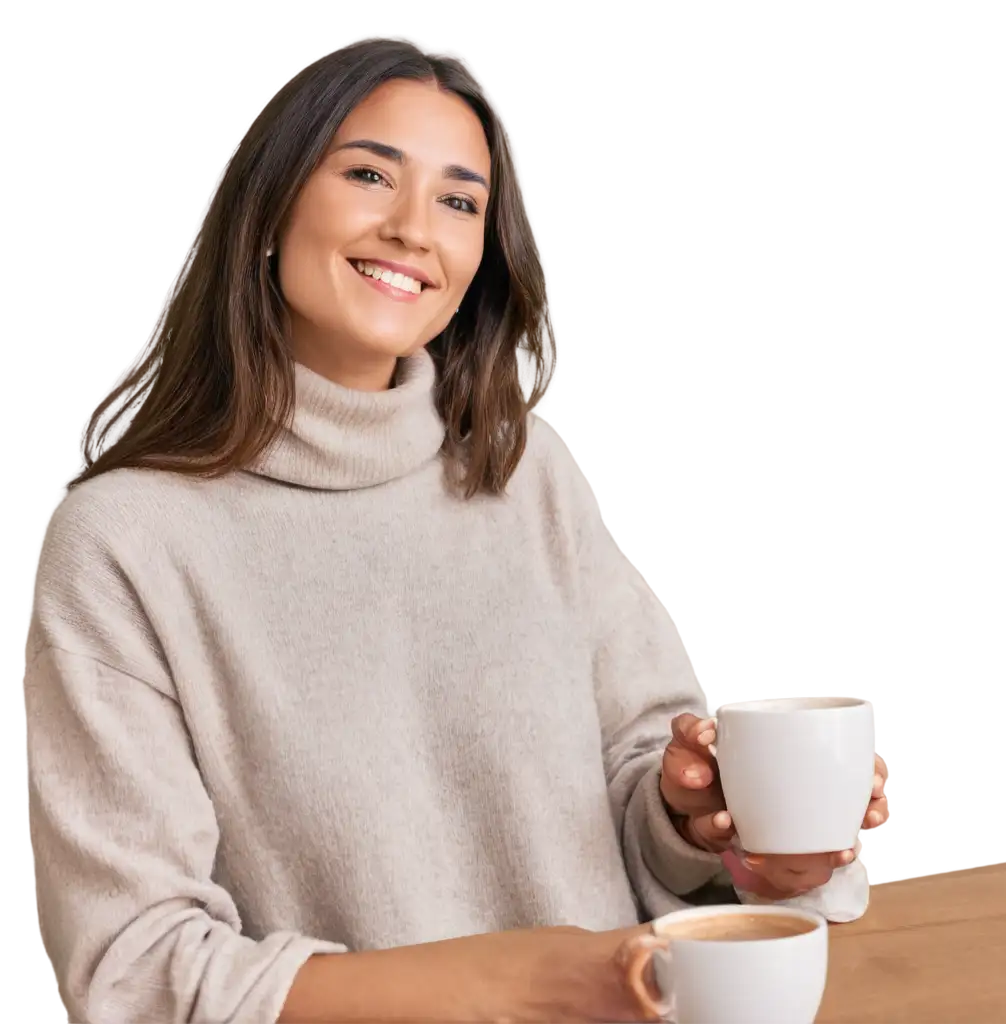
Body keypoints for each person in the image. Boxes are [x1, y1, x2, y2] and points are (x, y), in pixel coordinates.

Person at [22, 38, 888, 1024]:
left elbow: (636, 781)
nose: (411, 230)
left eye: (458, 201)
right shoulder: (124, 546)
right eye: (367, 175)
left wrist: (698, 814)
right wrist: (516, 986)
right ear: (266, 211)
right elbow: (137, 968)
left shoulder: (521, 473)